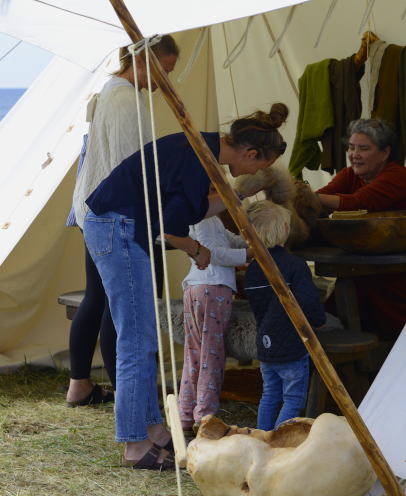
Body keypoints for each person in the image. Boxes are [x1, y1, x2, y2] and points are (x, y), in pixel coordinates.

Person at [83, 103, 289, 470]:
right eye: (261, 164)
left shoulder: (202, 152)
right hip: (117, 228)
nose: (259, 171)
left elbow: (189, 210)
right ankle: (134, 446)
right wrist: (198, 251)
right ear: (249, 152)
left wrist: (235, 196)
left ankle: (154, 429)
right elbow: (173, 228)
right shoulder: (197, 157)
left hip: (122, 229)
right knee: (137, 341)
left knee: (143, 338)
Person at [65, 36, 179, 407]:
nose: (165, 82)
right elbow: (132, 164)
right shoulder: (124, 99)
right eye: (164, 71)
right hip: (111, 214)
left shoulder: (114, 92)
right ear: (144, 61)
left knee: (98, 296)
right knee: (117, 302)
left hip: (95, 209)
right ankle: (124, 397)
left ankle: (80, 385)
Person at [315, 118, 406, 339]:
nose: (354, 154)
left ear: (385, 153)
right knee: (343, 297)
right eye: (351, 147)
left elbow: (359, 203)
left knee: (369, 299)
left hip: (404, 269)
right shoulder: (349, 175)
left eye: (363, 148)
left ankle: (387, 355)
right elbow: (323, 198)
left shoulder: (399, 176)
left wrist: (309, 198)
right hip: (367, 265)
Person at [177, 186, 255, 435]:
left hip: (196, 288)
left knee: (195, 354)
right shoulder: (202, 217)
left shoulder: (210, 217)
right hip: (212, 288)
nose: (215, 192)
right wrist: (248, 253)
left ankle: (185, 416)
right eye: (211, 188)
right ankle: (205, 418)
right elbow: (213, 254)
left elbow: (229, 240)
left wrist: (253, 238)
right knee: (212, 355)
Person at [244, 201, 326, 431]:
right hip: (292, 345)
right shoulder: (295, 265)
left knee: (270, 394)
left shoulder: (253, 268)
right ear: (286, 230)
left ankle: (261, 439)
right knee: (293, 400)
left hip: (265, 343)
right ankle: (278, 444)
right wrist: (319, 322)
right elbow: (308, 304)